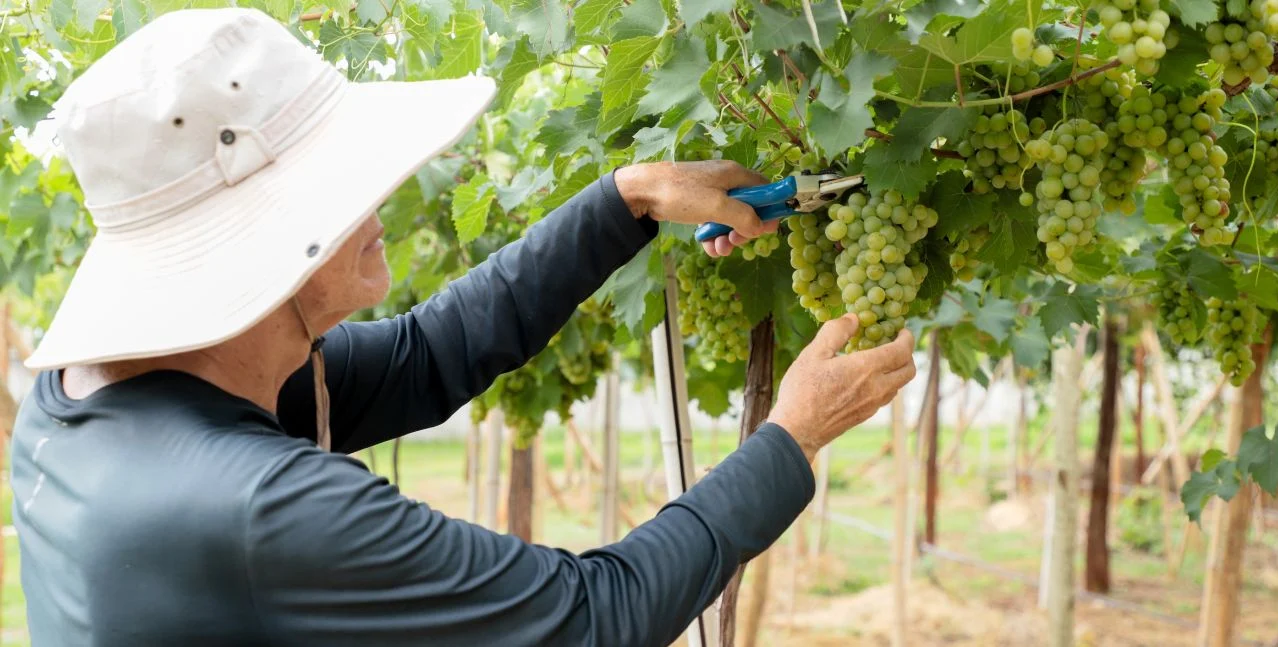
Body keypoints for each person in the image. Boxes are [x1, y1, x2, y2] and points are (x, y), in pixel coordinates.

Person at [9, 8, 917, 647]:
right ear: (263, 239)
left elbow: (428, 354)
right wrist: (790, 436)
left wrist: (626, 199)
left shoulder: (91, 396)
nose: (385, 196)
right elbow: (589, 617)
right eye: (345, 179)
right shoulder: (264, 510)